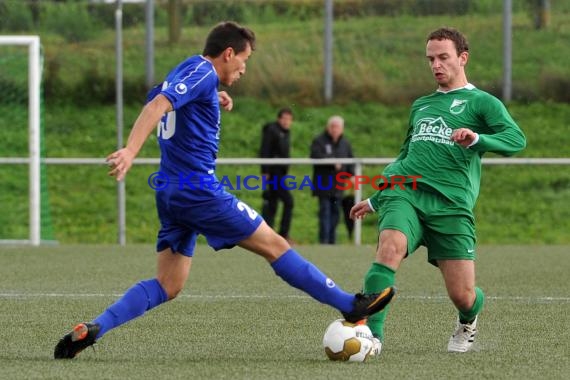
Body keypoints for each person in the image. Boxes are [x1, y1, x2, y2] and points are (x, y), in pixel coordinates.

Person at [53, 21, 395, 359]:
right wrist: (129, 150)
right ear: (228, 53)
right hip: (198, 190)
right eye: (244, 61)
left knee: (168, 284)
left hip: (170, 192)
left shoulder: (193, 72)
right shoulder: (202, 71)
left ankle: (97, 326)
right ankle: (351, 305)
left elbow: (162, 94)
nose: (244, 69)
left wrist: (209, 96)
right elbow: (157, 105)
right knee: (275, 245)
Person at [350, 27, 526, 355]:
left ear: (463, 58)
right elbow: (407, 155)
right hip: (405, 194)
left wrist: (477, 138)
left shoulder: (483, 103)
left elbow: (516, 140)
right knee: (389, 249)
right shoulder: (421, 105)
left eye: (443, 57)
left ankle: (468, 320)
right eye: (430, 58)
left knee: (464, 295)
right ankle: (371, 338)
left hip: (451, 205)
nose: (436, 64)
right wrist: (377, 198)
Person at [310, 116, 354, 244]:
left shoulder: (345, 143)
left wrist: (352, 175)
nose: (335, 129)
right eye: (333, 126)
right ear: (328, 127)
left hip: (339, 185)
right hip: (323, 184)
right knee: (325, 213)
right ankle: (324, 241)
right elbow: (315, 155)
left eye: (338, 127)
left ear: (342, 129)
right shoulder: (319, 140)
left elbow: (350, 159)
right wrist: (331, 161)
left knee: (336, 214)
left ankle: (332, 241)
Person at [259, 108, 294, 242]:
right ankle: (282, 234)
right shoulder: (272, 130)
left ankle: (268, 235)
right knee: (288, 202)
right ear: (279, 119)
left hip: (280, 173)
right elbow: (265, 150)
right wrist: (265, 171)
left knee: (272, 203)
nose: (286, 122)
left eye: (289, 119)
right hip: (273, 174)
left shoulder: (285, 133)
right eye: (284, 118)